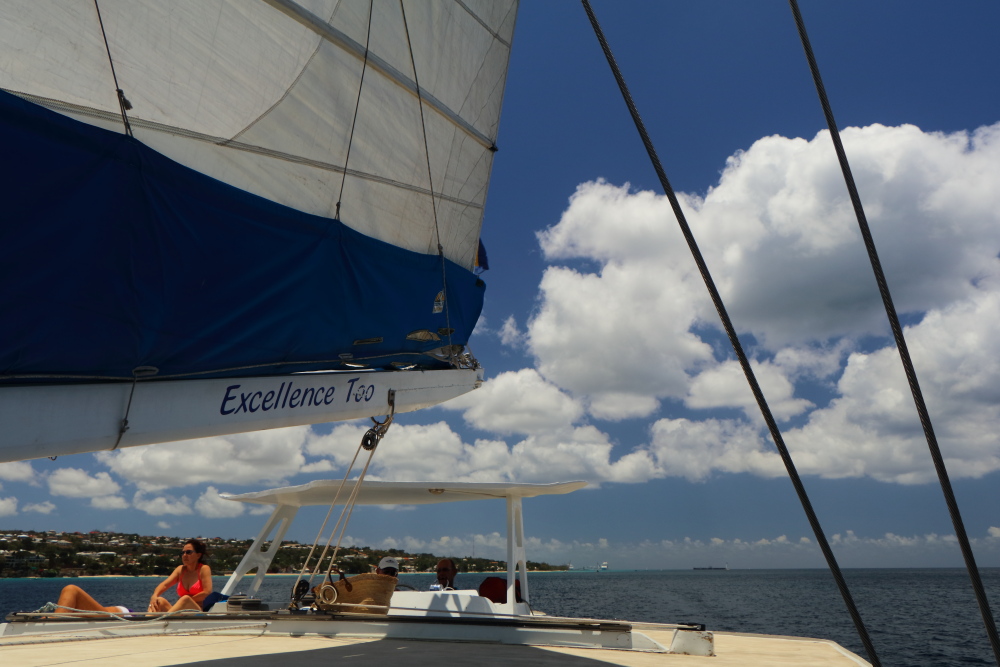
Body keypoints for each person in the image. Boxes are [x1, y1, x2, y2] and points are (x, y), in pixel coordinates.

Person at [54, 539, 212, 615]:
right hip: (179, 611)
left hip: (196, 609)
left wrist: (187, 599)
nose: (185, 555)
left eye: (189, 552)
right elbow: (164, 585)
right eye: (183, 552)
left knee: (184, 599)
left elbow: (207, 592)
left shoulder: (203, 569)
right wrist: (154, 596)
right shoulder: (181, 570)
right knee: (160, 600)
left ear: (198, 555)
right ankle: (151, 620)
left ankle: (160, 621)